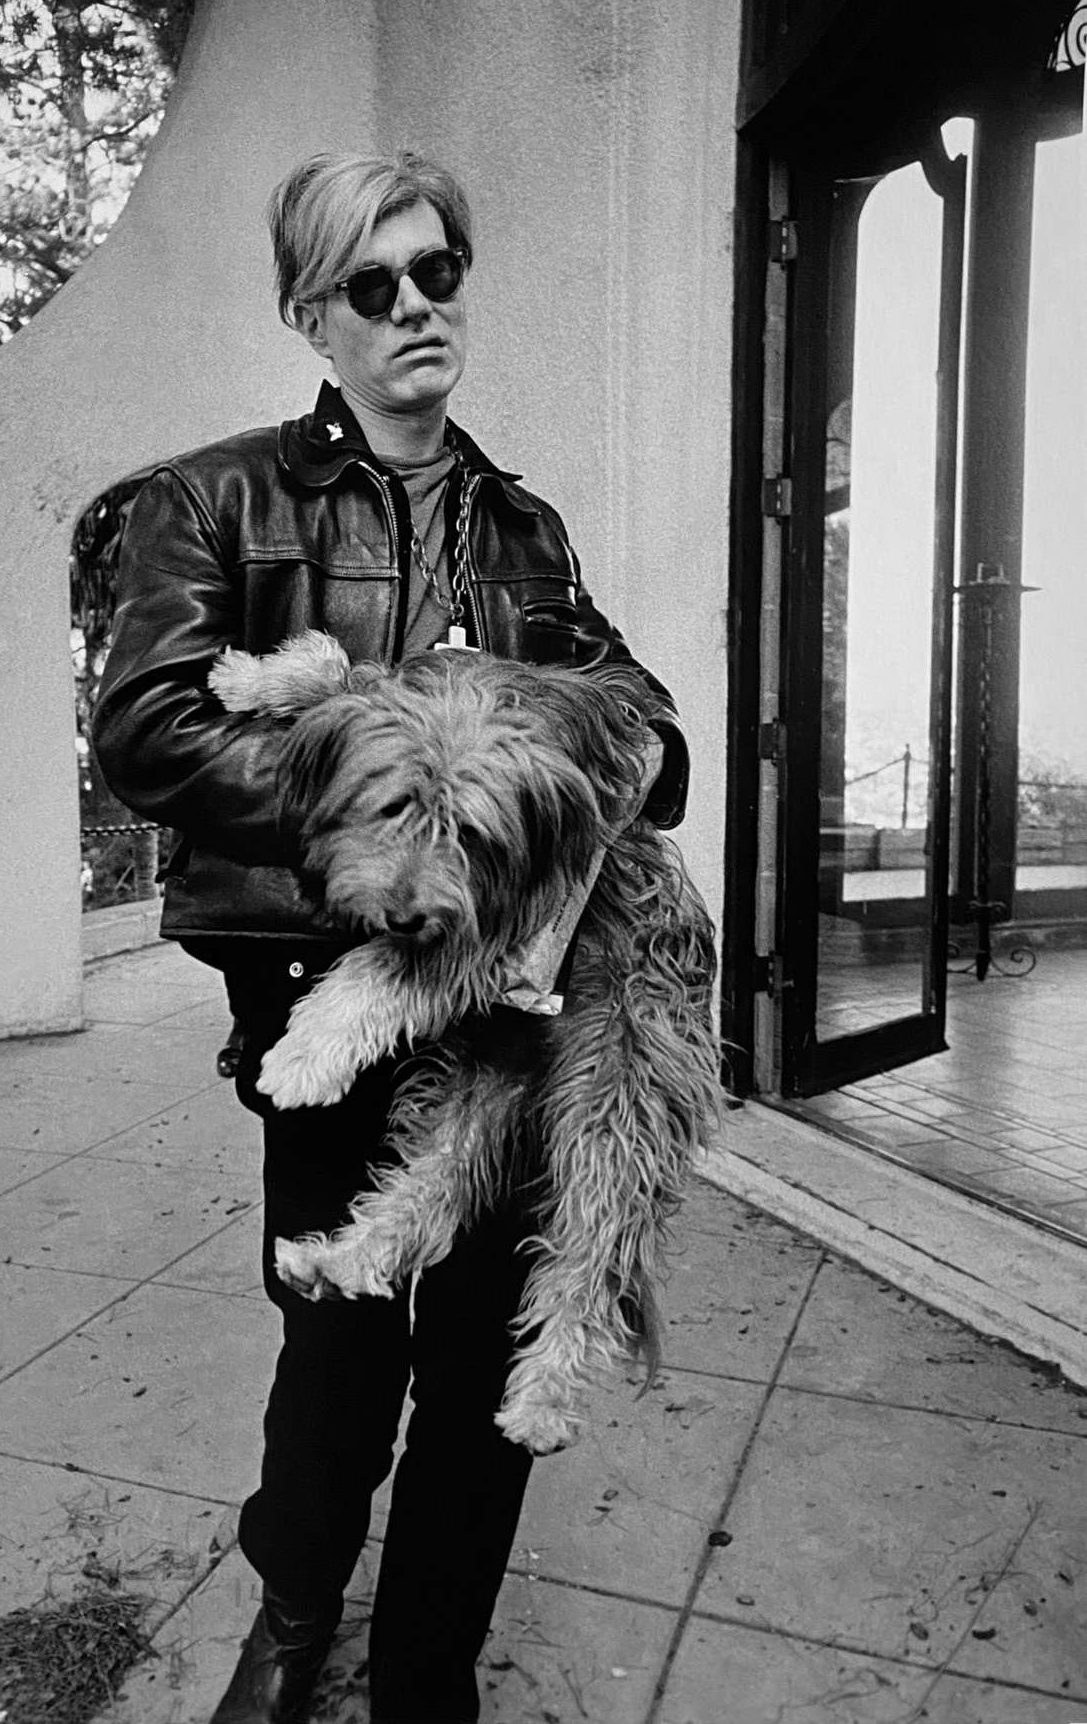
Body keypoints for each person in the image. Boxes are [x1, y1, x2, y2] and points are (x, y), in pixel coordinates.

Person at [93, 149, 690, 1724]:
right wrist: (391, 822)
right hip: (324, 984)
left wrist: (584, 778)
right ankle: (294, 1616)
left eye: (438, 274)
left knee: (484, 1371)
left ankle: (427, 1671)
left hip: (518, 1009)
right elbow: (148, 734)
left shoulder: (523, 529)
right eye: (375, 284)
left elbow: (647, 737)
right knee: (339, 1349)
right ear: (313, 311)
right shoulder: (216, 499)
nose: (417, 306)